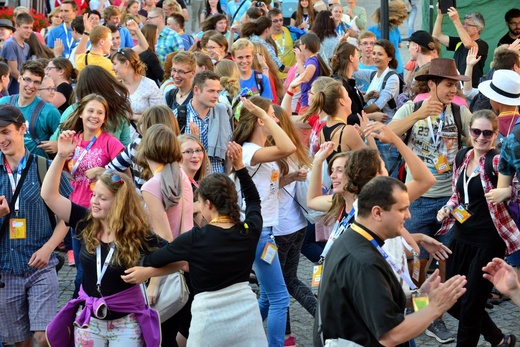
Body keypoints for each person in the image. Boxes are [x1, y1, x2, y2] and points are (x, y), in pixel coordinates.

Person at [121, 141, 267, 346]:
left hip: (209, 320)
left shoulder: (195, 239)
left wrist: (148, 269)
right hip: (247, 316)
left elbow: (155, 258)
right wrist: (240, 167)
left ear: (208, 204)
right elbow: (254, 201)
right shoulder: (248, 230)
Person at [314, 175, 467, 347]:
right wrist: (436, 308)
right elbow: (390, 336)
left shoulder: (352, 238)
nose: (409, 216)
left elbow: (378, 300)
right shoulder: (365, 262)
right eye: (402, 210)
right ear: (377, 212)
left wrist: (422, 297)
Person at [42, 130, 162, 347]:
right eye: (94, 194)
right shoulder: (85, 220)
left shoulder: (138, 233)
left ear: (119, 203)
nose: (94, 201)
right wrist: (60, 156)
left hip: (126, 323)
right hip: (90, 322)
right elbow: (49, 195)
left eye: (102, 198)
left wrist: (149, 272)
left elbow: (180, 259)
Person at [388, 57, 472, 343]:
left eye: (455, 86)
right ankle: (419, 314)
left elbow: (476, 143)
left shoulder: (461, 112)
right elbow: (387, 135)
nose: (453, 90)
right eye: (449, 85)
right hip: (418, 198)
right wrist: (419, 115)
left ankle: (437, 317)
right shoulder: (411, 108)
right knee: (417, 265)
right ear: (433, 83)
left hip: (451, 200)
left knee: (447, 263)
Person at [436, 110, 519, 347]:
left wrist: (508, 192)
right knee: (452, 299)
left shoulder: (496, 160)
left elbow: (517, 190)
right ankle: (499, 339)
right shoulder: (462, 156)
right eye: (476, 131)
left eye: (487, 133)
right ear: (469, 131)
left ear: (495, 135)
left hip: (489, 241)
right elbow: (457, 194)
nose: (481, 137)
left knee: (472, 304)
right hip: (461, 236)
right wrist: (447, 208)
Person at [0, 104, 73, 347]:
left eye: (6, 131)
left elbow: (68, 215)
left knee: (44, 336)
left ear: (23, 129)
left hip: (40, 266)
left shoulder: (44, 168)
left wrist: (49, 248)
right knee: (21, 342)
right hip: (5, 270)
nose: (1, 139)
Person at [233, 96, 295, 347]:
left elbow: (261, 188)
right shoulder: (250, 151)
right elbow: (288, 146)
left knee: (270, 298)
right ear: (260, 120)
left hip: (263, 230)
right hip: (259, 232)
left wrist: (289, 180)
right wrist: (264, 113)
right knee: (280, 299)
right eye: (271, 115)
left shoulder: (254, 152)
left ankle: (242, 339)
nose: (276, 119)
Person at [174, 70, 231, 173]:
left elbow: (228, 152)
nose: (216, 96)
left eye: (218, 91)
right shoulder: (178, 115)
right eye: (211, 91)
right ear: (196, 90)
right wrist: (194, 141)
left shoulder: (222, 113)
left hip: (217, 179)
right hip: (190, 180)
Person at [0, 61, 61, 158]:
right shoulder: (3, 103)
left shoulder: (49, 111)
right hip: (5, 165)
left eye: (36, 82)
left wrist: (57, 145)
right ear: (19, 78)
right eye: (27, 79)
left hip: (35, 168)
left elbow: (66, 140)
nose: (31, 85)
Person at [111, 47, 165, 140]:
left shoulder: (149, 85)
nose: (112, 68)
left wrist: (132, 116)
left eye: (115, 64)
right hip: (121, 143)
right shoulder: (115, 88)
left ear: (127, 63)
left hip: (144, 142)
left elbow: (159, 117)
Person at [433, 5, 488, 88]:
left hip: (472, 88)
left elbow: (468, 44)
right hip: (457, 87)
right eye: (463, 24)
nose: (463, 26)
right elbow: (436, 37)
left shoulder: (482, 45)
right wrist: (440, 14)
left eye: (467, 24)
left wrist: (456, 20)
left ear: (477, 29)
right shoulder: (459, 42)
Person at [367, 1, 407, 77]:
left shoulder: (372, 30)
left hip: (381, 66)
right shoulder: (395, 29)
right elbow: (400, 44)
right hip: (397, 66)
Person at [295, 33, 331, 114]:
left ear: (304, 46)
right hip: (308, 102)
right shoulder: (313, 59)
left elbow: (305, 78)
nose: (299, 47)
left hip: (308, 105)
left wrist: (298, 59)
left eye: (300, 44)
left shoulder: (312, 61)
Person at [0, 13, 33, 95]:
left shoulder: (26, 46)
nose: (29, 30)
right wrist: (29, 84)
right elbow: (13, 71)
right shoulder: (11, 44)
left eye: (31, 28)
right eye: (26, 27)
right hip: (8, 90)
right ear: (17, 26)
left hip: (19, 89)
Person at [268, 8, 296, 79]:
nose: (279, 23)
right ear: (269, 22)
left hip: (293, 74)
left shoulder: (289, 30)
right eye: (275, 21)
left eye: (281, 20)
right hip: (277, 77)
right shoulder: (267, 36)